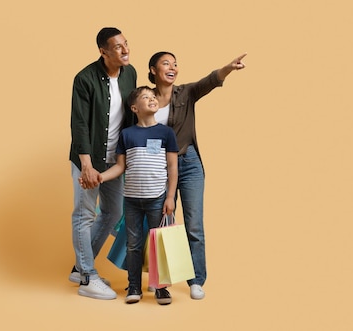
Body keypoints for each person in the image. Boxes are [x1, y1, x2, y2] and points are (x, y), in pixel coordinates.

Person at [148, 51, 246, 299]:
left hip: (189, 163)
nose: (173, 67)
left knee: (194, 225)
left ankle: (196, 280)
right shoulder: (144, 98)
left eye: (175, 63)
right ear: (153, 70)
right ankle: (160, 279)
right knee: (161, 222)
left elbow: (210, 81)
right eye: (166, 63)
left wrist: (228, 68)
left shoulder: (186, 93)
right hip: (159, 167)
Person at [92, 86, 179, 305]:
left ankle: (161, 288)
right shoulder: (127, 134)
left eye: (152, 96)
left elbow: (172, 167)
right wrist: (101, 177)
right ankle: (133, 286)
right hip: (131, 200)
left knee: (158, 243)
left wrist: (170, 197)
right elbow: (120, 167)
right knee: (133, 244)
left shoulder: (166, 133)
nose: (151, 99)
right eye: (145, 97)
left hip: (157, 198)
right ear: (134, 108)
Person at [69, 27, 137, 300]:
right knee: (85, 214)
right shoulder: (84, 78)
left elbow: (133, 113)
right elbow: (79, 123)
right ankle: (87, 276)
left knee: (112, 212)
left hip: (114, 158)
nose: (125, 50)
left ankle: (79, 267)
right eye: (118, 47)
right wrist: (86, 165)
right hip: (89, 158)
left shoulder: (129, 73)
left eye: (126, 44)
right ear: (103, 51)